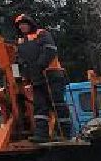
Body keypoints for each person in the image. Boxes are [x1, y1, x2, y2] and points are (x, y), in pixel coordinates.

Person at [12, 12, 68, 143]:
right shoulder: (20, 42)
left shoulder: (42, 34)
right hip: (36, 78)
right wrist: (20, 76)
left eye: (24, 24)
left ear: (30, 24)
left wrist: (39, 66)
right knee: (40, 106)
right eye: (19, 25)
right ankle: (42, 134)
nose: (22, 27)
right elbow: (18, 61)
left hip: (51, 74)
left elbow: (50, 50)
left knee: (57, 103)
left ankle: (65, 133)